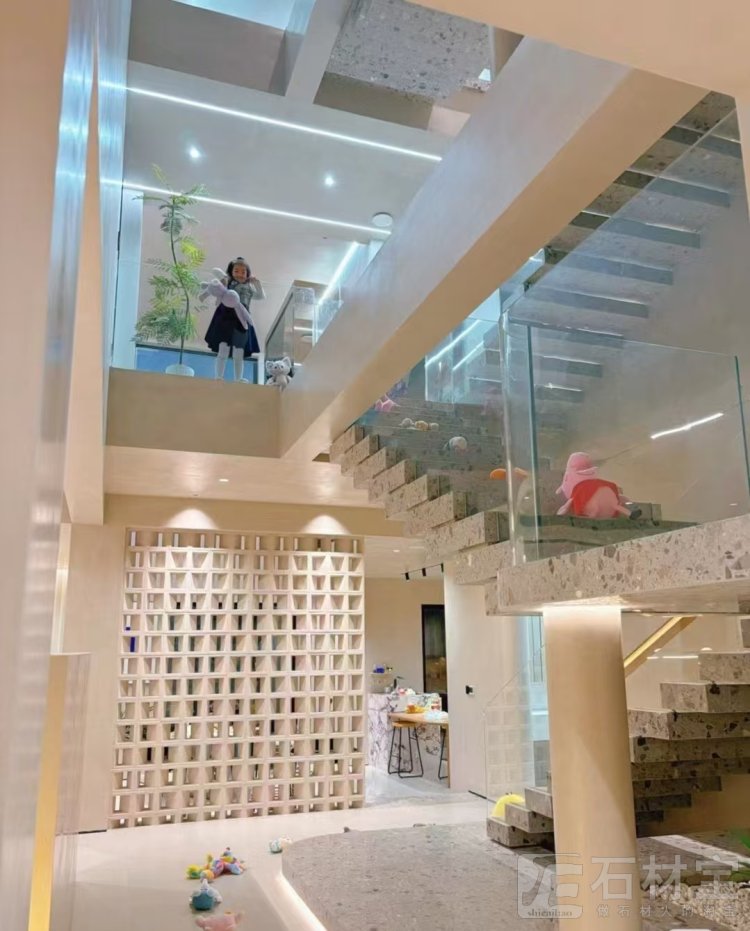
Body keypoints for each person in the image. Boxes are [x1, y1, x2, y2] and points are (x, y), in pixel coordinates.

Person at [204, 257, 264, 382]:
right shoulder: (228, 284)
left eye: (243, 272)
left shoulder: (248, 288)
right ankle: (219, 377)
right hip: (226, 318)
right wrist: (224, 278)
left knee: (239, 352)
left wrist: (256, 284)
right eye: (236, 271)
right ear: (231, 272)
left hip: (242, 320)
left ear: (247, 274)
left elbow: (261, 296)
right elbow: (215, 273)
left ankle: (238, 379)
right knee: (223, 348)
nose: (240, 274)